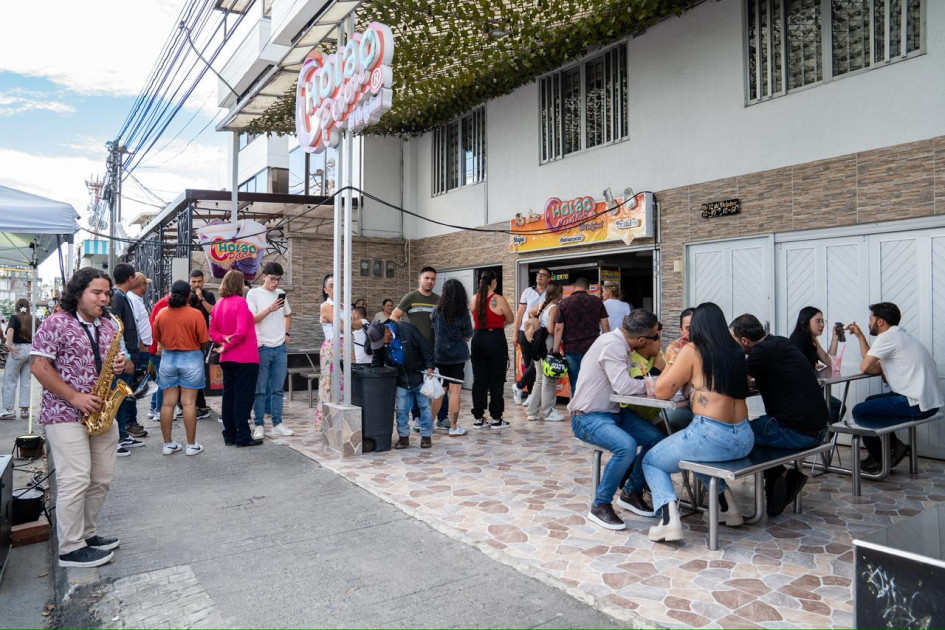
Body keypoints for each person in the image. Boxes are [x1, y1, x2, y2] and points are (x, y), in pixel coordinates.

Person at [30, 267, 129, 567]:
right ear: (78, 293)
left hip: (100, 411)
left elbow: (118, 362)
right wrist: (74, 397)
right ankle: (70, 547)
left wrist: (122, 363)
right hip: (64, 412)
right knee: (75, 478)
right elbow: (39, 366)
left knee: (101, 479)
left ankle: (87, 534)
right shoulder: (56, 323)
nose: (104, 299)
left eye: (107, 293)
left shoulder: (109, 326)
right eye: (96, 293)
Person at [645, 302, 752, 543]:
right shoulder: (735, 350)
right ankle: (727, 507)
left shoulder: (693, 350)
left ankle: (668, 521)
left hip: (712, 436)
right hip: (744, 437)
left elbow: (662, 391)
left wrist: (671, 360)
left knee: (652, 461)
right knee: (695, 455)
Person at [568, 310, 668, 530]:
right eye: (655, 337)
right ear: (641, 340)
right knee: (626, 446)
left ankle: (631, 492)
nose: (658, 341)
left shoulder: (621, 344)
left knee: (656, 439)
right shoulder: (612, 345)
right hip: (587, 416)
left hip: (614, 412)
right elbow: (623, 386)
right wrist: (656, 384)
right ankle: (600, 505)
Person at [730, 313, 830, 517]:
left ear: (744, 340)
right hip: (818, 428)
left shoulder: (760, 351)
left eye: (733, 341)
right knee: (752, 432)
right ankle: (779, 479)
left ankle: (781, 477)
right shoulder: (779, 342)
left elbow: (731, 381)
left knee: (738, 435)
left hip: (797, 432)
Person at [848, 302, 944, 473]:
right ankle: (894, 447)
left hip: (917, 404)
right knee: (870, 401)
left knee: (860, 411)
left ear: (880, 321)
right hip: (928, 403)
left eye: (870, 319)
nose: (869, 323)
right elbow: (874, 367)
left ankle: (880, 456)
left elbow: (865, 366)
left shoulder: (887, 337)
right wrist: (860, 336)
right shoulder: (901, 336)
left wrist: (872, 363)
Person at [153, 280, 210, 456]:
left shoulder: (162, 313)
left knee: (167, 403)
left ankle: (168, 444)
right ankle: (191, 445)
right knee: (189, 403)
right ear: (188, 296)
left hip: (168, 358)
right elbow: (204, 340)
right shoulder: (195, 314)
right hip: (191, 358)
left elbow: (157, 337)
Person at [209, 270, 263, 448]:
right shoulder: (240, 302)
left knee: (229, 396)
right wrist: (227, 344)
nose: (244, 285)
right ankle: (243, 436)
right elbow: (241, 332)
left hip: (227, 359)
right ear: (238, 284)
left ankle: (230, 434)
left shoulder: (218, 304)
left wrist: (224, 340)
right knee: (243, 398)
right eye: (242, 282)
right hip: (245, 357)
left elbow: (212, 332)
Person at [392, 267, 448, 426]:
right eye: (427, 278)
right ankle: (417, 418)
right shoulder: (411, 297)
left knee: (440, 383)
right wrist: (406, 335)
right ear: (419, 279)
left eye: (433, 279)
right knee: (417, 384)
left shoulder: (439, 300)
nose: (430, 281)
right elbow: (394, 317)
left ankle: (442, 417)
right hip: (415, 351)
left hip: (436, 349)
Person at [367, 319, 436, 448]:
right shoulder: (380, 341)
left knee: (425, 407)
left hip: (418, 375)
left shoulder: (407, 329)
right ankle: (403, 437)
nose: (383, 344)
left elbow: (425, 347)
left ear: (387, 331)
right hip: (400, 378)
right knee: (401, 409)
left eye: (383, 341)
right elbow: (377, 360)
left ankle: (426, 436)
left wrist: (430, 366)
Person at [246, 262, 294, 439]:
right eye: (273, 279)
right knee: (259, 389)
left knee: (278, 389)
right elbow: (251, 319)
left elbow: (288, 314)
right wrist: (270, 309)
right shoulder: (253, 293)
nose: (275, 283)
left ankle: (277, 423)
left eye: (278, 279)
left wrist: (286, 332)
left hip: (280, 347)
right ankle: (259, 424)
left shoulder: (280, 294)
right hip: (262, 346)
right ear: (264, 276)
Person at [469, 269, 514, 429]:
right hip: (495, 339)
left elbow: (475, 315)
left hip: (478, 339)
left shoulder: (474, 298)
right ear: (494, 281)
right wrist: (500, 322)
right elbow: (510, 318)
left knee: (479, 379)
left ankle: (478, 418)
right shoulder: (498, 299)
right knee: (496, 379)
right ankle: (496, 418)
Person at [109, 263, 147, 451]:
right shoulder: (117, 298)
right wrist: (126, 356)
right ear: (130, 278)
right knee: (119, 399)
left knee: (124, 399)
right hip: (124, 358)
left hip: (129, 354)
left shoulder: (122, 297)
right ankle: (117, 438)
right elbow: (117, 329)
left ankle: (123, 435)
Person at [552, 277, 610, 393]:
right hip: (592, 349)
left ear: (574, 288)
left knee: (575, 382)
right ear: (588, 288)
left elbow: (558, 328)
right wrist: (608, 345)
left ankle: (576, 404)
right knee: (592, 382)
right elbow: (605, 326)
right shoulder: (597, 302)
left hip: (571, 349)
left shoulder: (564, 303)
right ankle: (590, 404)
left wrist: (555, 349)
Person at [431, 279, 473, 436]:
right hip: (457, 357)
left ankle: (428, 424)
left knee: (440, 391)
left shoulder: (436, 310)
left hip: (440, 356)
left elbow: (434, 329)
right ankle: (454, 427)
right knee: (455, 392)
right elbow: (468, 335)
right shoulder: (463, 312)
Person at [789, 306, 843, 421]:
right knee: (834, 408)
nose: (822, 325)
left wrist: (835, 338)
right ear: (804, 322)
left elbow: (828, 360)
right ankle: (823, 431)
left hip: (813, 386)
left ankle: (825, 431)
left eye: (823, 321)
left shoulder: (811, 338)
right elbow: (798, 367)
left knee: (837, 406)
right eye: (818, 321)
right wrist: (812, 365)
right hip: (802, 391)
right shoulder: (799, 339)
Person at [525, 282, 565, 422]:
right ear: (558, 293)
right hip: (548, 343)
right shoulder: (554, 307)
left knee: (539, 378)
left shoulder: (542, 304)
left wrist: (536, 323)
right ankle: (548, 412)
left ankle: (532, 412)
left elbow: (531, 312)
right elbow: (552, 329)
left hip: (538, 343)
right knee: (549, 379)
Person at [512, 267, 550, 406]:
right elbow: (519, 314)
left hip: (540, 333)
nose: (539, 276)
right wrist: (515, 334)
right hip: (525, 331)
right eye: (538, 274)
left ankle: (520, 386)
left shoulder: (549, 293)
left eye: (543, 275)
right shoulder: (527, 291)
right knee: (529, 363)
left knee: (536, 363)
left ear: (549, 278)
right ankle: (530, 395)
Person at [315, 273, 344, 430]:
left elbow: (352, 325)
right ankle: (328, 423)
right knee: (330, 383)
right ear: (326, 290)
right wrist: (355, 323)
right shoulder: (326, 306)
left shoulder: (343, 305)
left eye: (337, 285)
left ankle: (342, 421)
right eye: (331, 286)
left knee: (344, 382)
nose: (335, 288)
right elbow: (344, 326)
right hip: (332, 346)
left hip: (346, 346)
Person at [188, 270, 216, 420]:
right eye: (193, 282)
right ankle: (196, 404)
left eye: (199, 281)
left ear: (203, 281)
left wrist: (201, 298)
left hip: (202, 339)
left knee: (199, 372)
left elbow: (213, 312)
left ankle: (200, 405)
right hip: (187, 338)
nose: (196, 284)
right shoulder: (186, 294)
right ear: (189, 281)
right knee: (192, 372)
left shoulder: (208, 295)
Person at [662, 308, 695, 432]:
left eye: (697, 328)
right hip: (680, 404)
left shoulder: (710, 348)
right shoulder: (675, 348)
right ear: (681, 330)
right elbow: (666, 388)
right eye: (688, 329)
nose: (693, 333)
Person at [1, 298, 34, 419]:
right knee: (26, 380)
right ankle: (25, 410)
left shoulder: (15, 318)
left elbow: (10, 330)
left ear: (17, 307)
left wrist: (9, 345)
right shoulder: (33, 318)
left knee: (10, 380)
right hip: (31, 350)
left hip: (17, 349)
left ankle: (9, 410)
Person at [127, 273, 154, 397]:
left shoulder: (136, 299)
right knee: (138, 385)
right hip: (140, 348)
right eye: (146, 284)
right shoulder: (133, 300)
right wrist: (141, 343)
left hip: (142, 347)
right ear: (142, 286)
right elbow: (134, 324)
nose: (147, 287)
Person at [147, 292, 170, 424]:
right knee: (163, 380)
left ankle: (154, 407)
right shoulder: (165, 304)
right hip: (158, 349)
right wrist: (159, 346)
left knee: (160, 378)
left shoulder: (163, 302)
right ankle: (159, 410)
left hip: (156, 347)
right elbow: (158, 327)